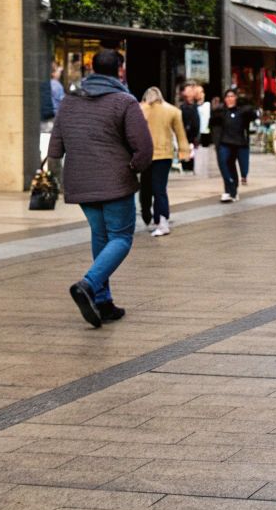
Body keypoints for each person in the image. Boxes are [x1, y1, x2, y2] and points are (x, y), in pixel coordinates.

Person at [48, 49, 152, 327]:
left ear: (93, 68)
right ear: (119, 69)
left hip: (80, 181)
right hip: (115, 181)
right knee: (121, 237)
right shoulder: (124, 101)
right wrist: (134, 168)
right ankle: (89, 284)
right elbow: (143, 148)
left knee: (101, 235)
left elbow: (56, 145)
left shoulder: (69, 100)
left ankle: (103, 302)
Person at [138, 86, 190, 238]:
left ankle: (147, 214)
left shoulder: (140, 110)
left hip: (145, 154)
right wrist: (184, 152)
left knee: (145, 187)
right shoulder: (173, 110)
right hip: (164, 155)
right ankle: (162, 220)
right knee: (160, 188)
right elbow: (180, 134)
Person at [210, 87, 257, 202]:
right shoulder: (221, 112)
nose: (230, 99)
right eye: (228, 97)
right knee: (224, 163)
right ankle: (229, 188)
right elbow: (212, 123)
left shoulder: (242, 111)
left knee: (234, 166)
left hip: (240, 143)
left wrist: (245, 101)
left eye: (232, 96)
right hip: (225, 142)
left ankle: (233, 190)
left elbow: (253, 113)